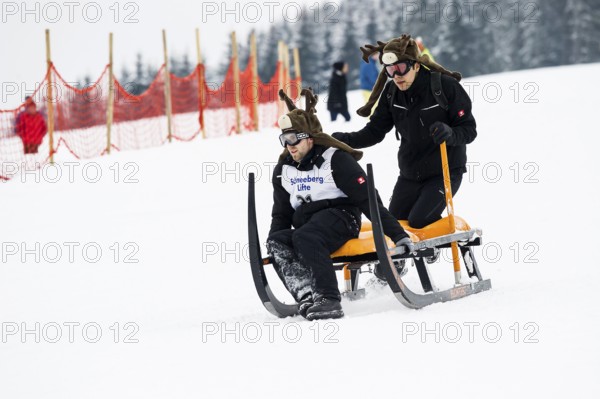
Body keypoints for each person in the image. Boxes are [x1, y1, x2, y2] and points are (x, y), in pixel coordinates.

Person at [268, 88, 414, 320]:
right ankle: (307, 296)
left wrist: (397, 235)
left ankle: (329, 300)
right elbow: (281, 214)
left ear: (310, 138)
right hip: (308, 224)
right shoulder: (284, 169)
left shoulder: (335, 159)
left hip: (342, 217)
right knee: (278, 240)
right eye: (284, 140)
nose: (290, 146)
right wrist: (277, 245)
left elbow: (368, 200)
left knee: (306, 236)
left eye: (294, 139)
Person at [332, 34, 477, 233]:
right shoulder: (392, 92)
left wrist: (450, 133)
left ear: (416, 65)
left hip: (444, 172)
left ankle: (446, 238)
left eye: (400, 68)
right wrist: (342, 141)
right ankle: (394, 264)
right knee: (393, 226)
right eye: (390, 70)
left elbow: (469, 129)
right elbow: (374, 131)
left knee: (418, 220)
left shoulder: (444, 86)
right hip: (410, 174)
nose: (396, 75)